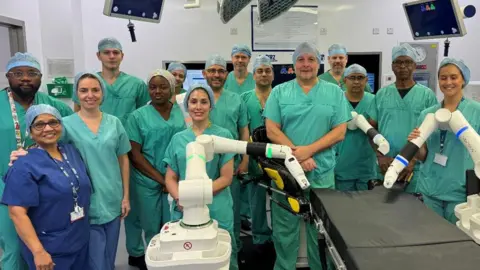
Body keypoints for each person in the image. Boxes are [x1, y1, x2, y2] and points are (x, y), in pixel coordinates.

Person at [264, 42, 350, 270]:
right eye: (301, 60)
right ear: (293, 65)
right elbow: (271, 129)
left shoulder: (334, 93)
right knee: (285, 230)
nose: (306, 64)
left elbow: (340, 131)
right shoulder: (279, 92)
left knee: (322, 231)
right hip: (287, 175)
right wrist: (297, 157)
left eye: (311, 59)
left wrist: (308, 151)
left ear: (319, 63)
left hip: (321, 172)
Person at [0, 52, 73, 270]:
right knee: (14, 245)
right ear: (8, 76)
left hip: (49, 186)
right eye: (18, 73)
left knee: (47, 243)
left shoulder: (55, 106)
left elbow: (71, 137)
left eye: (31, 73)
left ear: (40, 77)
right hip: (6, 187)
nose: (25, 78)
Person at [2, 105, 91, 270]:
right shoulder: (23, 165)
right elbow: (17, 213)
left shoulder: (70, 151)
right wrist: (38, 251)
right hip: (49, 248)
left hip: (79, 241)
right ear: (30, 130)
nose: (48, 128)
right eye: (39, 124)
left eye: (53, 122)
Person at [163, 83, 238, 270]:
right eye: (194, 101)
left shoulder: (223, 136)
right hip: (184, 207)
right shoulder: (178, 139)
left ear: (211, 106)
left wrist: (195, 195)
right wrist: (182, 197)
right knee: (187, 256)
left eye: (204, 102)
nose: (198, 107)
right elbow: (170, 177)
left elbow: (226, 177)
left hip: (217, 204)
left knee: (222, 254)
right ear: (187, 105)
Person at [65, 72, 131, 269]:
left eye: (95, 90)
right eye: (83, 90)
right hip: (83, 201)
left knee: (109, 256)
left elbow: (123, 159)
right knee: (95, 260)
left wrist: (125, 196)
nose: (90, 95)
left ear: (103, 93)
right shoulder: (66, 125)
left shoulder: (114, 123)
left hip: (112, 197)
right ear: (76, 93)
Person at [124, 69, 186, 269]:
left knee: (173, 224)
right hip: (146, 179)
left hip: (176, 177)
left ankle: (171, 260)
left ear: (172, 88)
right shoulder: (137, 116)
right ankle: (153, 261)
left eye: (163, 86)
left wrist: (172, 179)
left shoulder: (182, 112)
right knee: (150, 225)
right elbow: (135, 154)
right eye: (152, 87)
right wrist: (162, 180)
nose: (157, 91)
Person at [408, 58, 480, 224]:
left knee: (456, 243)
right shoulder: (428, 113)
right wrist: (415, 143)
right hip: (431, 189)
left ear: (463, 80)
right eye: (443, 77)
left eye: (453, 77)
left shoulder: (476, 111)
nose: (448, 82)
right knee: (430, 237)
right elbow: (422, 156)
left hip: (462, 193)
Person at [367, 43, 438, 193]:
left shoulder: (427, 96)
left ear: (414, 65)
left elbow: (432, 134)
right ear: (392, 66)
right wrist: (380, 157)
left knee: (412, 212)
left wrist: (411, 161)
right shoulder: (382, 94)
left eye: (407, 62)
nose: (403, 66)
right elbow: (371, 129)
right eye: (398, 62)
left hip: (414, 169)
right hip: (385, 165)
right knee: (383, 211)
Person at [204, 54, 250, 253]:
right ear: (205, 73)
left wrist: (246, 160)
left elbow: (244, 132)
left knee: (232, 210)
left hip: (230, 162)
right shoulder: (195, 97)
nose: (216, 75)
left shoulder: (236, 100)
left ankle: (233, 251)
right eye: (212, 70)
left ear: (226, 74)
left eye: (221, 71)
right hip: (201, 162)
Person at [73, 37, 150, 125]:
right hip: (95, 134)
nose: (112, 56)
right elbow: (77, 113)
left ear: (122, 56)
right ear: (98, 55)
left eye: (116, 52)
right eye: (106, 52)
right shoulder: (86, 83)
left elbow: (143, 116)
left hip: (128, 136)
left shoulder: (137, 84)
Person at [240, 55, 273, 246]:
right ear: (253, 75)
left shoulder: (280, 95)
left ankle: (280, 235)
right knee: (257, 199)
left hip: (277, 155)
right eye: (260, 71)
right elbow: (242, 129)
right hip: (253, 156)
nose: (263, 74)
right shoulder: (245, 99)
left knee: (280, 198)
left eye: (267, 70)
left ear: (272, 74)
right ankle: (260, 236)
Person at [334, 64, 377, 191]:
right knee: (343, 208)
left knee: (367, 208)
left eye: (360, 77)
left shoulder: (374, 100)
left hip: (366, 167)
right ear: (345, 80)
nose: (356, 81)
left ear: (366, 80)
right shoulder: (337, 100)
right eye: (352, 77)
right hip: (342, 165)